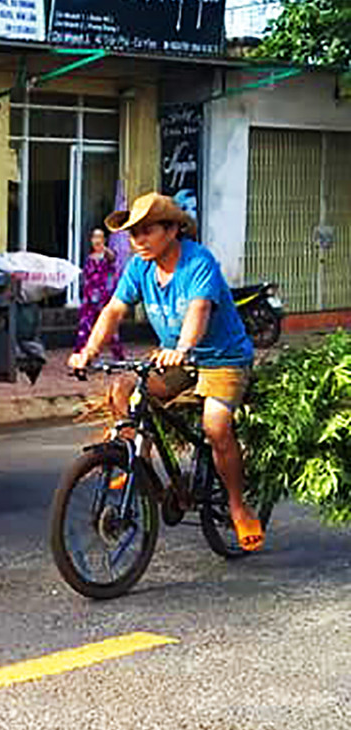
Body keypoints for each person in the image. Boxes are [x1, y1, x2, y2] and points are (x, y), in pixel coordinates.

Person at [68, 193, 263, 551]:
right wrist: (88, 352)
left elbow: (199, 310)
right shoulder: (139, 267)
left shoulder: (198, 262)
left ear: (172, 230)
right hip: (175, 359)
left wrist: (183, 348)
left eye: (147, 231)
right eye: (133, 234)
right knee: (123, 389)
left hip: (222, 358)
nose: (138, 241)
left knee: (216, 426)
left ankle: (238, 506)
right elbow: (113, 310)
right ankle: (137, 464)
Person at [75, 227, 125, 361]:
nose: (96, 240)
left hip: (105, 297)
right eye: (94, 237)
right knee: (85, 326)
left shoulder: (108, 256)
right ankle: (80, 354)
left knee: (109, 326)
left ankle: (118, 355)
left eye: (99, 237)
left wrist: (104, 249)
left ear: (104, 240)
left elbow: (112, 258)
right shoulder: (89, 259)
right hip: (90, 297)